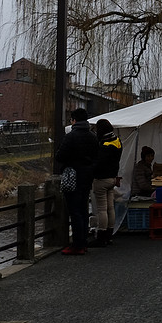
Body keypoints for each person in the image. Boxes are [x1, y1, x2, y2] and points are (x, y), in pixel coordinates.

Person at [56, 107, 98, 255]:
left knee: (74, 211)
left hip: (73, 177)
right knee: (83, 209)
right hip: (87, 177)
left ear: (74, 120)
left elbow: (60, 156)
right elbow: (96, 157)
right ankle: (83, 243)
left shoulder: (71, 136)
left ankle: (77, 245)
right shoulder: (93, 136)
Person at [88, 118, 122, 248]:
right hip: (112, 178)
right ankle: (109, 234)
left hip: (101, 179)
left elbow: (98, 164)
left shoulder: (104, 146)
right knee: (110, 208)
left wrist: (91, 170)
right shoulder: (117, 141)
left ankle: (101, 236)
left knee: (102, 209)